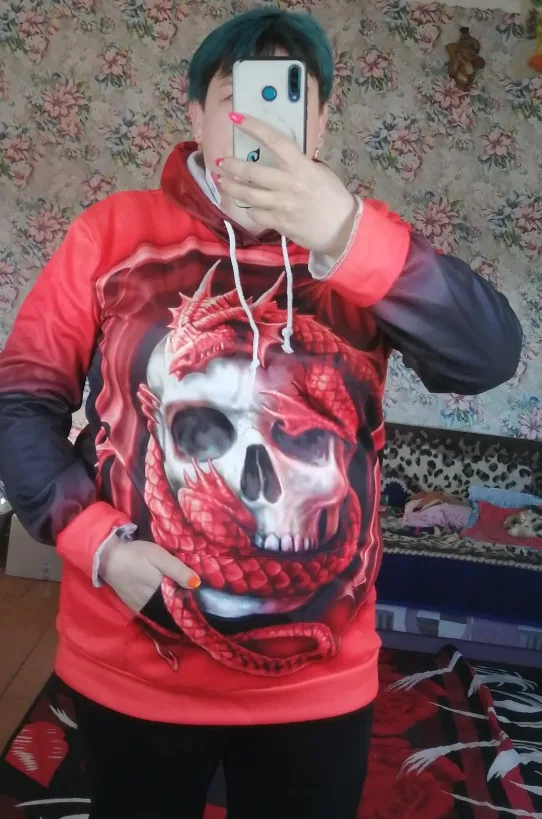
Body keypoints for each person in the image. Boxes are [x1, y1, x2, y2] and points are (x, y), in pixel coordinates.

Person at [0, 8, 522, 819]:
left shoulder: (363, 245)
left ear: (322, 122)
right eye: (236, 98)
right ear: (197, 115)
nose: (263, 124)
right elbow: (20, 403)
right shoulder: (111, 234)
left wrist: (345, 234)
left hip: (318, 687)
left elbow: (488, 355)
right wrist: (96, 544)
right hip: (132, 668)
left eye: (290, 99)